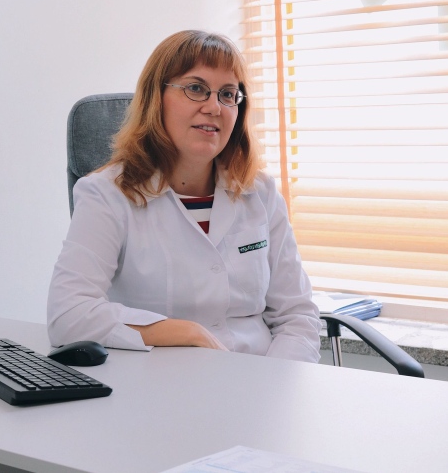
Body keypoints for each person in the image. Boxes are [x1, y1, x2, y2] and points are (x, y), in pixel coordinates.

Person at [47, 30, 321, 362]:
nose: (214, 107)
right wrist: (186, 333)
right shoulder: (107, 194)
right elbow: (69, 314)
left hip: (260, 377)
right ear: (155, 98)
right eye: (196, 89)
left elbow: (297, 316)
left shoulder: (259, 193)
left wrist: (271, 380)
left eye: (228, 94)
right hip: (159, 382)